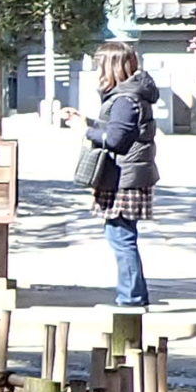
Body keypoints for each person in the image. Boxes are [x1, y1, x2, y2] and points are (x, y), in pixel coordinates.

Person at [85, 40, 159, 310]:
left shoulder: (125, 99)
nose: (97, 72)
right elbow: (119, 130)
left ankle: (131, 299)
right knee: (123, 236)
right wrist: (88, 122)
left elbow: (115, 139)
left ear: (113, 67)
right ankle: (133, 295)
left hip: (123, 178)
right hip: (131, 174)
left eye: (100, 66)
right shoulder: (132, 94)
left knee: (121, 238)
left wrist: (84, 131)